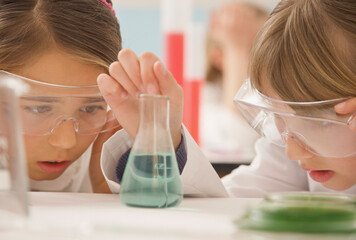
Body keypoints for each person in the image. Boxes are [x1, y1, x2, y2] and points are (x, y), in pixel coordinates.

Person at [0, 0, 226, 196]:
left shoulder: (115, 157)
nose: (66, 141)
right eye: (39, 108)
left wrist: (163, 146)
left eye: (90, 108)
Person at [218, 0, 356, 197]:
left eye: (321, 123)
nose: (293, 153)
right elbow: (227, 199)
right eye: (279, 118)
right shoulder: (290, 146)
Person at [201, 2, 267, 162]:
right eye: (252, 48)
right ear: (219, 57)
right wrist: (236, 48)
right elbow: (239, 141)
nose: (265, 58)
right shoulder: (203, 100)